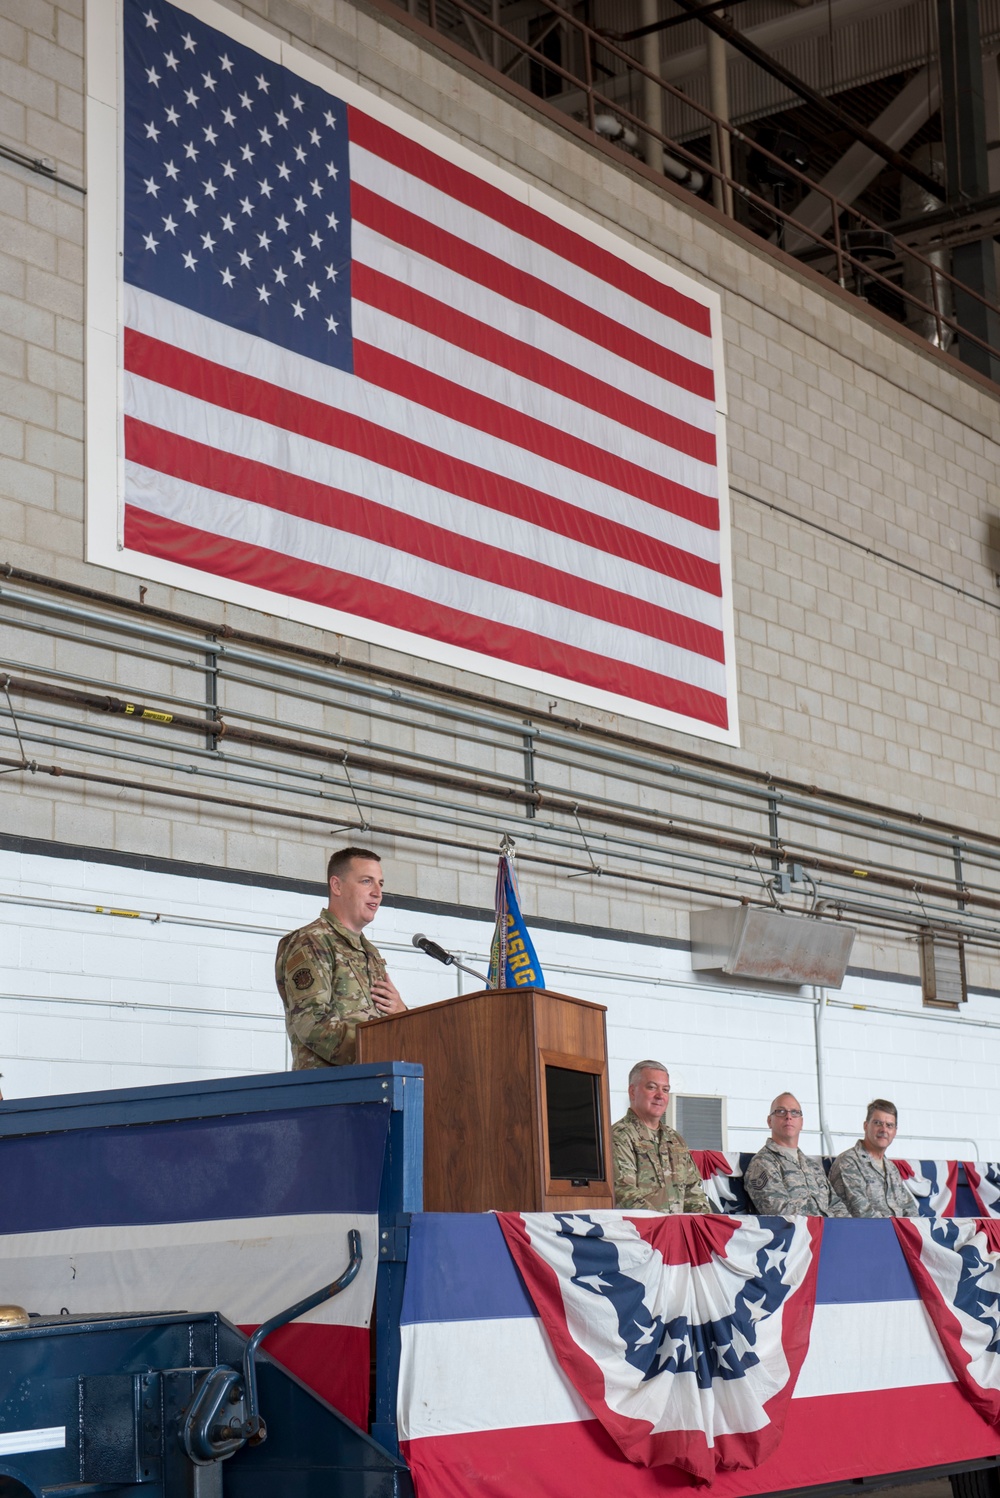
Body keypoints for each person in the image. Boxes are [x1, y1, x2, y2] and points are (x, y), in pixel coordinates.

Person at [275, 847, 406, 1068]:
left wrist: (402, 1013)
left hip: (374, 1085)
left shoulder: (370, 952)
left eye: (380, 884)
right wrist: (375, 1051)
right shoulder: (312, 941)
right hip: (328, 1090)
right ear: (337, 885)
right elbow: (310, 1022)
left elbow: (382, 1021)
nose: (377, 892)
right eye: (366, 881)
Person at [611, 1060, 712, 1214]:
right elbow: (625, 1193)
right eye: (652, 1087)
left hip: (678, 1232)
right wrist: (666, 1227)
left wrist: (704, 1226)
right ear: (632, 1091)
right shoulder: (619, 1136)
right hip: (641, 1233)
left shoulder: (675, 1139)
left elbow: (693, 1193)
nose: (660, 1095)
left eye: (665, 1089)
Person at [744, 1092, 849, 1217]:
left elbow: (836, 1205)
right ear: (769, 1121)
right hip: (797, 1235)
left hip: (828, 1232)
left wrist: (846, 1228)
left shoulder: (813, 1166)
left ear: (801, 1122)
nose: (789, 1116)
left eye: (794, 1112)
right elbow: (779, 1213)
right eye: (781, 1112)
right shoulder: (763, 1163)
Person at [829, 1100, 918, 1218]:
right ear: (865, 1126)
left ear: (895, 1131)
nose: (884, 1129)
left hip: (897, 1233)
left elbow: (910, 1209)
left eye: (889, 1125)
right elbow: (861, 1213)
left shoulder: (891, 1169)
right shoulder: (848, 1162)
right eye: (878, 1123)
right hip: (867, 1233)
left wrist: (911, 1230)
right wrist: (899, 1229)